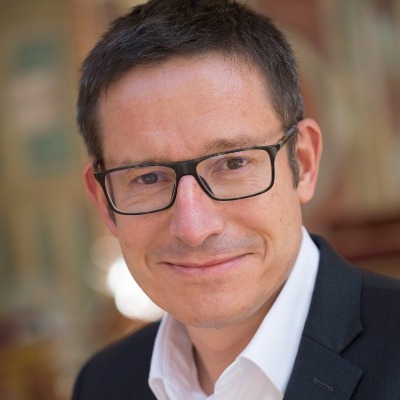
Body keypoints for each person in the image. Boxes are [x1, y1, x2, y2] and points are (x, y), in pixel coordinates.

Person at [72, 0, 400, 399]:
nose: (193, 228)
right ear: (104, 201)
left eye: (233, 163)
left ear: (304, 162)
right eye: (148, 177)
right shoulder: (102, 384)